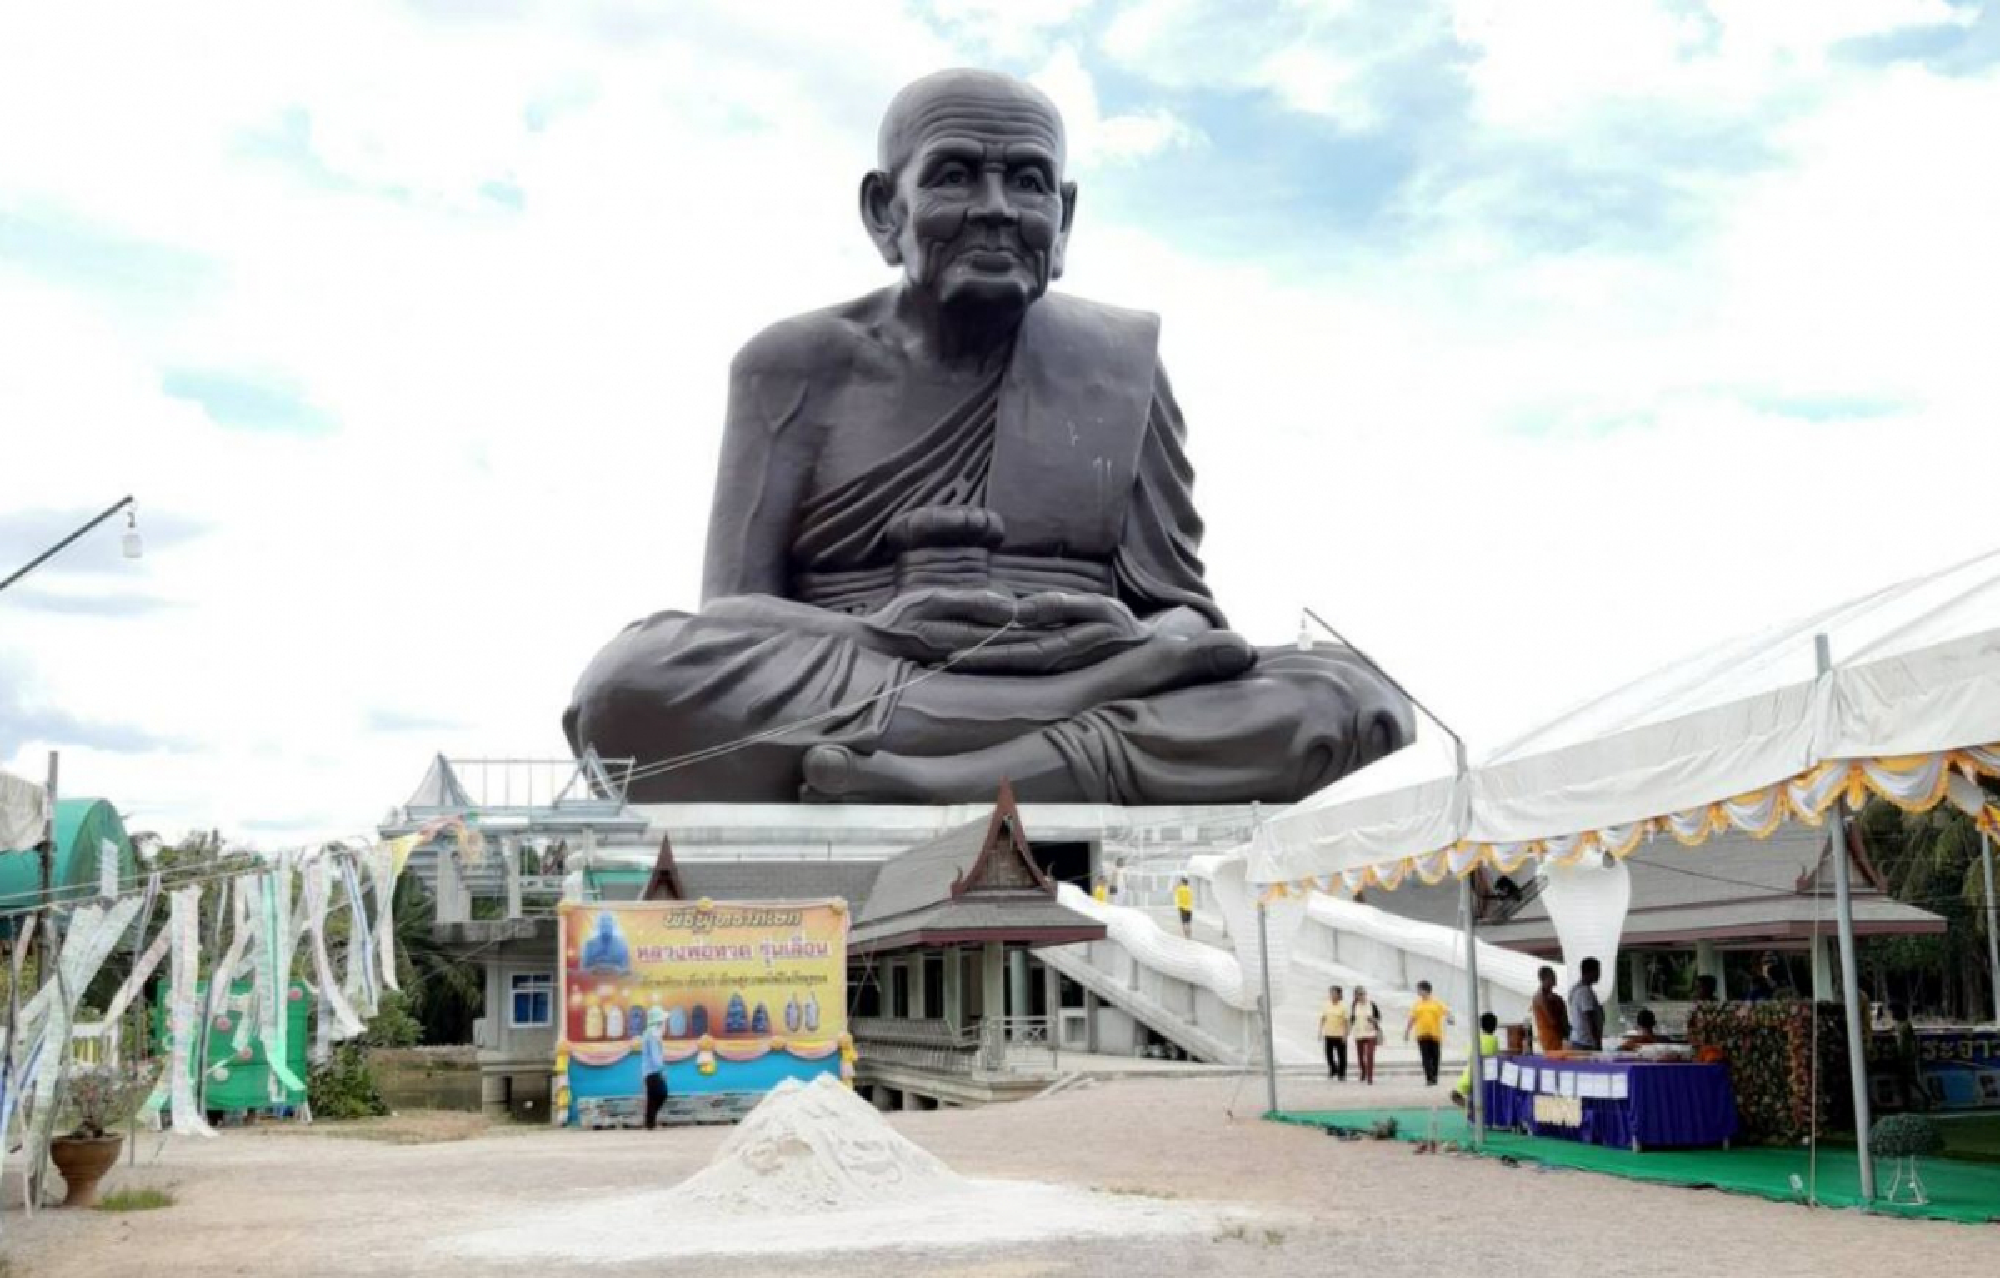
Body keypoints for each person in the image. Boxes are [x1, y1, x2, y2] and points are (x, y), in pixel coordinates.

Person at [561, 68, 1416, 808]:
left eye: (1030, 182)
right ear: (882, 210)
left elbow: (1188, 610)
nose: (997, 210)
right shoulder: (794, 365)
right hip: (884, 673)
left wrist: (1136, 641)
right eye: (956, 177)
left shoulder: (1120, 363)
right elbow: (732, 611)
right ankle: (1050, 747)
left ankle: (953, 776)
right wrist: (881, 635)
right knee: (629, 684)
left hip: (1079, 667)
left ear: (1065, 214)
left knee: (1354, 697)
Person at [1404, 980, 1452, 1086]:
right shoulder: (1417, 1004)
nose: (1418, 992)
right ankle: (1429, 1078)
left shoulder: (1437, 1002)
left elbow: (1447, 1012)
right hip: (1422, 1034)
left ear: (1426, 990)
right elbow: (1412, 1018)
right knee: (1425, 1057)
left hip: (1435, 1034)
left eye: (1419, 989)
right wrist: (1407, 1031)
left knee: (1435, 1057)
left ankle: (1434, 1076)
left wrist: (1450, 1018)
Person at [1452, 1012, 1501, 1108]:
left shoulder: (1476, 1039)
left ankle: (1464, 1100)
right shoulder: (1494, 1040)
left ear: (1481, 1026)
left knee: (1467, 1078)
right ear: (1495, 1026)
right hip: (1485, 1074)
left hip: (1472, 1073)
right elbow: (1495, 1055)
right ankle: (1468, 1103)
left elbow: (1468, 1051)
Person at [1891, 1003, 1930, 1111]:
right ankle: (1906, 1103)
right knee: (1903, 1081)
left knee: (1910, 1080)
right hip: (1900, 1055)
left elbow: (1912, 1039)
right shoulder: (1897, 1025)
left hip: (1906, 1056)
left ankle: (1924, 1098)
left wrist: (1914, 1052)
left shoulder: (1906, 1025)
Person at [1567, 956, 1605, 1051]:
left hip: (1579, 1039)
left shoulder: (1576, 988)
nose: (1599, 975)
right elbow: (1589, 1017)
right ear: (1590, 972)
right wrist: (1596, 1040)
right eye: (1597, 971)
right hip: (1586, 1042)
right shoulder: (1585, 991)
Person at [641, 1007, 670, 1130]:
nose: (665, 1023)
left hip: (650, 1071)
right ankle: (650, 1123)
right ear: (658, 1021)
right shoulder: (653, 1034)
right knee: (661, 1093)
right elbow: (655, 1055)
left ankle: (650, 1123)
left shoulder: (652, 1033)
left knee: (652, 1097)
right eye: (663, 1021)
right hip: (653, 1071)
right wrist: (661, 1069)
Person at [1530, 964, 1570, 1053]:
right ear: (1543, 979)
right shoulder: (1540, 997)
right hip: (1550, 1038)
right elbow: (1552, 1020)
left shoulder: (1556, 998)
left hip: (1560, 1037)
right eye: (1552, 976)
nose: (1555, 978)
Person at [1350, 986, 1383, 1085]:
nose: (1361, 996)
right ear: (1355, 996)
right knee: (1360, 1056)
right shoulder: (1354, 1005)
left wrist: (1373, 1020)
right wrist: (1347, 1031)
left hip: (1370, 1033)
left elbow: (1379, 1018)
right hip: (1359, 1033)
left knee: (1369, 1054)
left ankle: (1370, 1077)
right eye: (1358, 995)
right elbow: (1352, 1019)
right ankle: (1363, 1071)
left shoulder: (1372, 1004)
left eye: (1362, 994)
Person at [1319, 984, 1350, 1081]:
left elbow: (1346, 1021)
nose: (1332, 995)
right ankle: (1333, 1069)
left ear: (1339, 994)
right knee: (1329, 1055)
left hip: (1340, 1034)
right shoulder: (1326, 1005)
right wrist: (1320, 1030)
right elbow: (1323, 1018)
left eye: (1334, 993)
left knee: (1342, 1055)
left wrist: (1345, 1034)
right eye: (1331, 993)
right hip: (1328, 1033)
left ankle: (1342, 1074)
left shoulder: (1343, 1006)